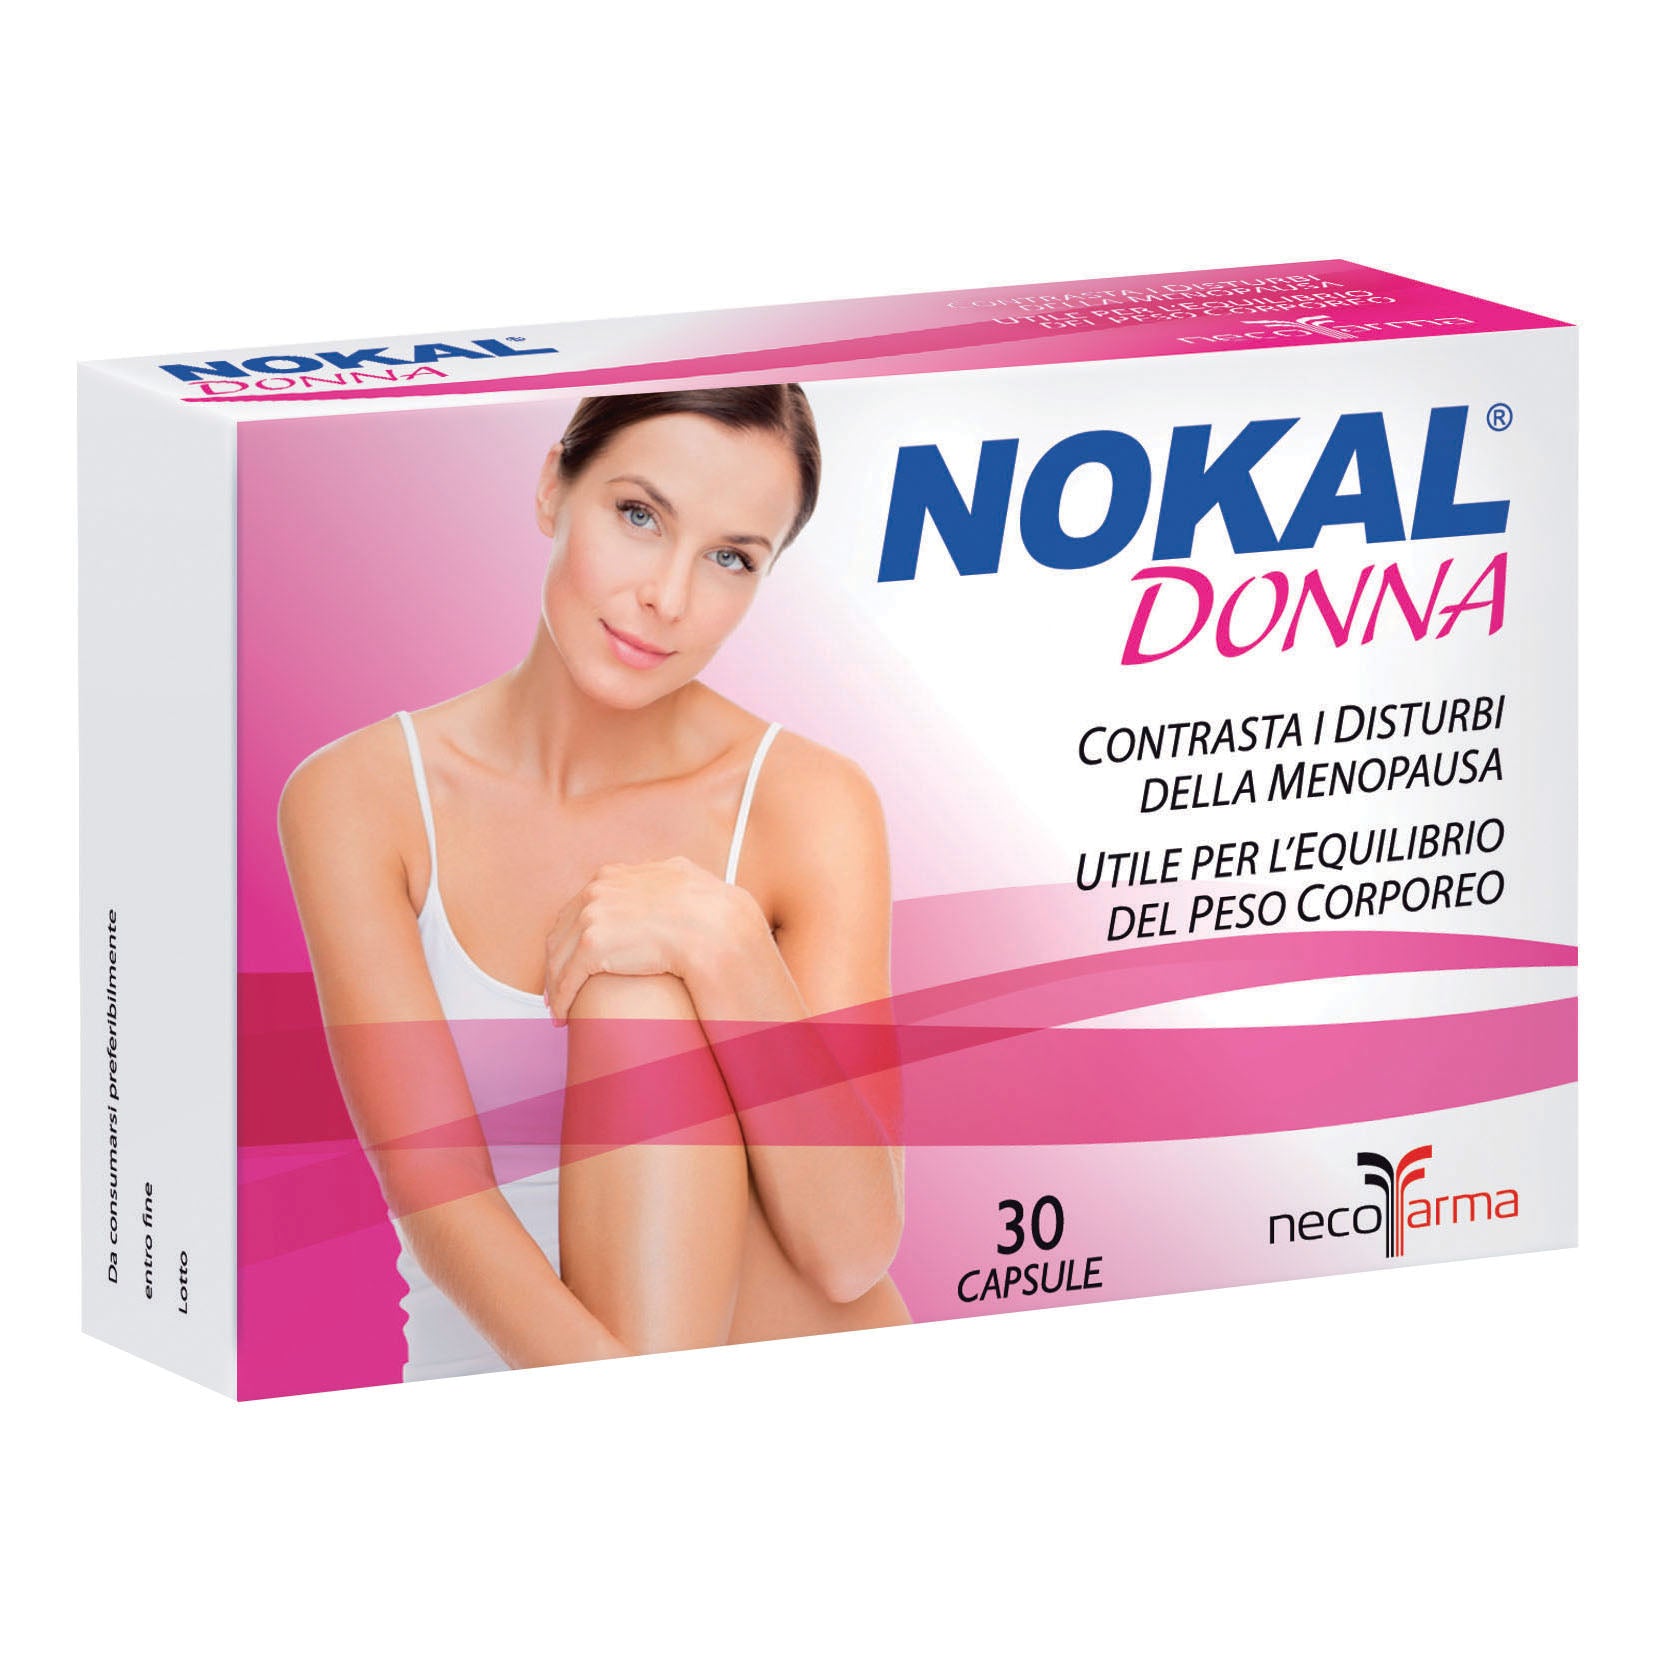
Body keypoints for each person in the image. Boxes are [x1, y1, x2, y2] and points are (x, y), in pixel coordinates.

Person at [279, 384, 909, 1380]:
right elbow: (438, 1194)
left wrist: (725, 948)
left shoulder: (807, 803)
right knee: (636, 998)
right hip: (524, 1383)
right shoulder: (363, 796)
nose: (667, 597)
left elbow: (851, 1251)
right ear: (552, 487)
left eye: (730, 558)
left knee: (641, 994)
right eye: (638, 515)